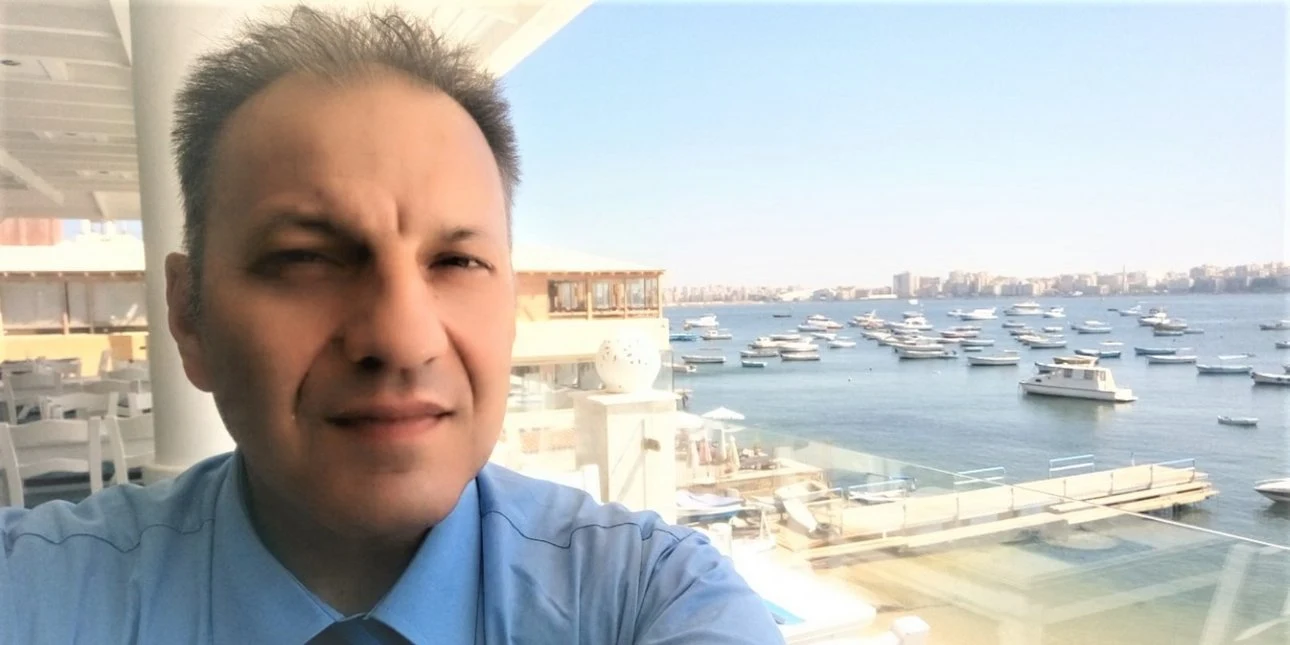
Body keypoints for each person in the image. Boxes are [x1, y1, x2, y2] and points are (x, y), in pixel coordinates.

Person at [0, 6, 783, 644]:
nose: (404, 339)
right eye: (306, 257)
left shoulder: (655, 598)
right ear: (187, 314)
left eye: (457, 261)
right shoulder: (36, 589)